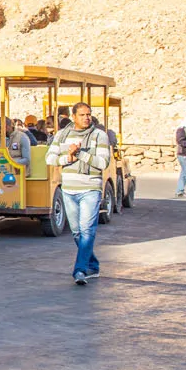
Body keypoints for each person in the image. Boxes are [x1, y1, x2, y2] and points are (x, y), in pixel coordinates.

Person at [47, 102, 111, 285]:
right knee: (76, 232)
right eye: (82, 115)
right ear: (73, 117)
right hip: (69, 189)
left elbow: (103, 163)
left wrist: (80, 154)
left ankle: (80, 270)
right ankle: (93, 265)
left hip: (90, 188)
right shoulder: (62, 135)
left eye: (88, 114)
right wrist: (68, 157)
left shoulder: (99, 136)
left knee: (87, 229)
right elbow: (50, 158)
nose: (86, 118)